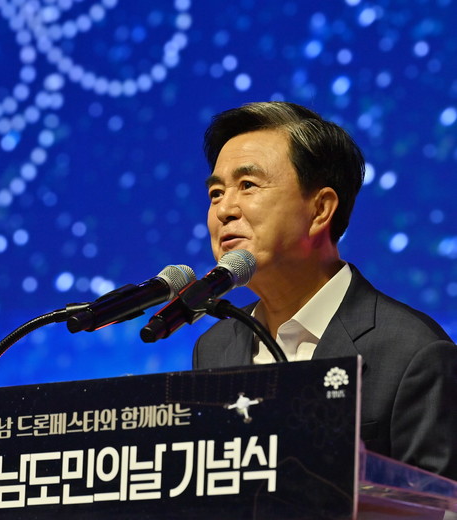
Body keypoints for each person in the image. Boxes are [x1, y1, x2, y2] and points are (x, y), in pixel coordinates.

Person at [192, 101, 457, 480]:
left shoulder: (412, 353)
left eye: (247, 185)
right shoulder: (214, 348)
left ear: (320, 209)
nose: (224, 210)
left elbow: (437, 502)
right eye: (216, 193)